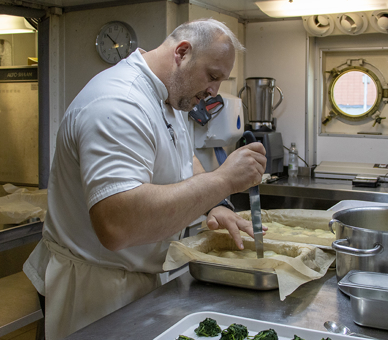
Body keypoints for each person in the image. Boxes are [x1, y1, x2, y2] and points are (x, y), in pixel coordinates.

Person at [23, 18, 266, 339]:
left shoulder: (171, 97)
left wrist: (216, 204)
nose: (213, 91)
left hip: (138, 278)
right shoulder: (118, 104)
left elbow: (182, 154)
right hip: (94, 289)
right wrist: (223, 181)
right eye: (212, 76)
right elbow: (117, 224)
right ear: (182, 52)